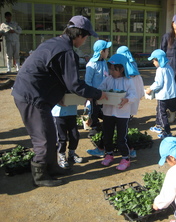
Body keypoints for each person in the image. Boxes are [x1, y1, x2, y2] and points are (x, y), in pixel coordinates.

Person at [11, 15, 106, 187]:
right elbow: (74, 84)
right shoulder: (66, 51)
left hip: (34, 93)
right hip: (31, 96)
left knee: (49, 134)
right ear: (79, 34)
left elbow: (57, 75)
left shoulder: (55, 42)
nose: (85, 41)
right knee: (43, 138)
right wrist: (98, 94)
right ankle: (40, 176)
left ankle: (53, 167)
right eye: (86, 37)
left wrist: (58, 94)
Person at [99, 54, 137, 171]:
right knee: (107, 135)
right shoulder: (108, 79)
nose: (110, 71)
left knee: (121, 138)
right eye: (109, 68)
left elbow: (133, 95)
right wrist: (100, 94)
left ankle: (125, 158)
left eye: (113, 69)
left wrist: (127, 99)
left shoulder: (128, 81)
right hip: (108, 112)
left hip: (122, 113)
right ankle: (109, 154)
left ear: (121, 69)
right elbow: (100, 89)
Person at [145, 49, 176, 139]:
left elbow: (158, 83)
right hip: (171, 95)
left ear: (159, 60)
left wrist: (150, 89)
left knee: (161, 113)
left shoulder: (160, 70)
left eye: (154, 60)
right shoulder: (169, 67)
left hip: (163, 96)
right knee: (160, 110)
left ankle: (167, 132)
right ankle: (158, 126)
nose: (153, 62)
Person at [84, 40, 112, 139]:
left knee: (104, 110)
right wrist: (89, 95)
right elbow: (87, 81)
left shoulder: (104, 62)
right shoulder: (91, 64)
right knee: (94, 111)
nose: (108, 52)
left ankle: (105, 125)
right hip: (94, 93)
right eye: (107, 50)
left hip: (104, 92)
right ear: (101, 52)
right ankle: (93, 127)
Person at [116, 45, 145, 119]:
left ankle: (126, 115)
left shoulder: (121, 63)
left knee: (127, 98)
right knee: (132, 98)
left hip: (127, 82)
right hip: (136, 81)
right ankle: (129, 115)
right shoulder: (133, 62)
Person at [52, 103, 83, 169]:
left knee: (75, 135)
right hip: (58, 113)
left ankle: (71, 154)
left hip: (71, 112)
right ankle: (61, 156)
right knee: (62, 137)